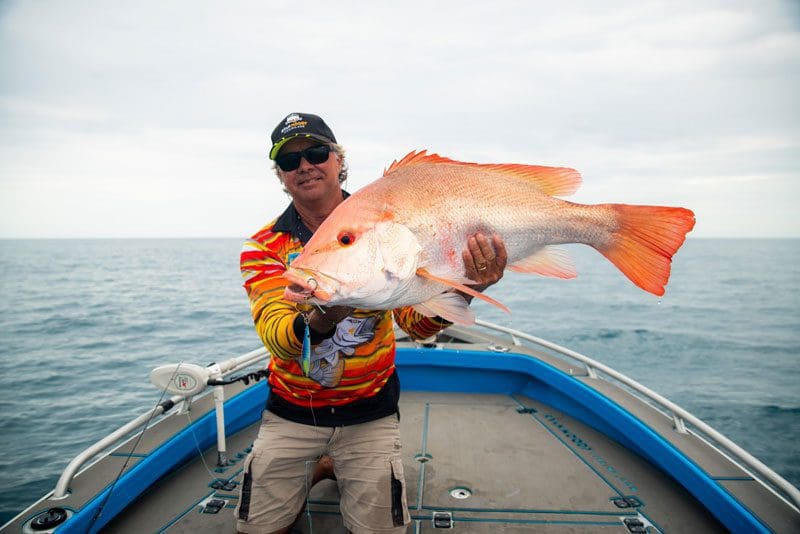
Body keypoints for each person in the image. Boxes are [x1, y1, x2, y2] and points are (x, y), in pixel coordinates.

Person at [235, 112, 507, 534]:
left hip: (369, 413)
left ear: (338, 160)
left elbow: (415, 325)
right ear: (281, 175)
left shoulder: (385, 222)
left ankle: (331, 465)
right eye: (289, 161)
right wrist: (326, 314)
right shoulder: (263, 246)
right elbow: (279, 339)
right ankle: (324, 463)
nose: (305, 166)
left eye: (316, 153)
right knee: (258, 530)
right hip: (292, 413)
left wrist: (469, 284)